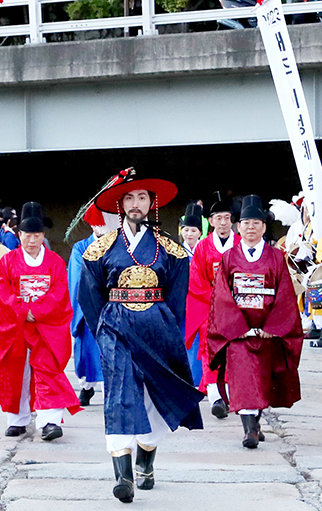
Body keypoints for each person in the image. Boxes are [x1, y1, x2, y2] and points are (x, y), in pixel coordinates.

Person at [78, 172, 203, 503]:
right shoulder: (100, 248)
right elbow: (89, 295)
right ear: (120, 204)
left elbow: (178, 298)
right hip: (115, 328)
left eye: (142, 198)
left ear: (151, 203)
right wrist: (104, 329)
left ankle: (146, 459)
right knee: (119, 394)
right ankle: (124, 476)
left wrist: (171, 331)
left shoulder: (171, 249)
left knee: (154, 396)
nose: (136, 204)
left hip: (158, 328)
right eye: (129, 198)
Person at [208, 195, 302, 450]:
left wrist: (273, 328)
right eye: (246, 223)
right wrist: (235, 327)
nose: (250, 228)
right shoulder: (229, 257)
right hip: (239, 332)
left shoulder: (276, 257)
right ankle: (249, 430)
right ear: (238, 227)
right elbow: (221, 295)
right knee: (242, 380)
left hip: (265, 331)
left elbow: (285, 294)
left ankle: (256, 424)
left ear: (263, 227)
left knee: (261, 380)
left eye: (256, 223)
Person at [0, 202, 81, 440]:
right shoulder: (8, 261)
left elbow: (60, 292)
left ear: (43, 235)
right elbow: (2, 291)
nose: (32, 240)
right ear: (19, 234)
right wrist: (22, 310)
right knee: (16, 372)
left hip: (46, 326)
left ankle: (49, 421)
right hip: (16, 325)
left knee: (48, 369)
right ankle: (17, 419)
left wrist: (37, 311)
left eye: (37, 235)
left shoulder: (55, 262)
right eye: (27, 235)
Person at [67, 174, 124, 407]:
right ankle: (87, 386)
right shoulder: (81, 248)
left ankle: (112, 391)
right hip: (90, 307)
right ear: (91, 224)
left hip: (117, 306)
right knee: (90, 351)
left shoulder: (120, 244)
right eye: (98, 223)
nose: (102, 227)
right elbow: (78, 280)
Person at [186, 194, 239, 419]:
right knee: (211, 350)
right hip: (210, 309)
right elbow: (196, 280)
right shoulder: (203, 247)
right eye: (219, 218)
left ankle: (231, 395)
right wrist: (218, 300)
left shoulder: (241, 244)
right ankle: (216, 398)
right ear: (211, 221)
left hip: (238, 310)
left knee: (236, 352)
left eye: (227, 218)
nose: (223, 222)